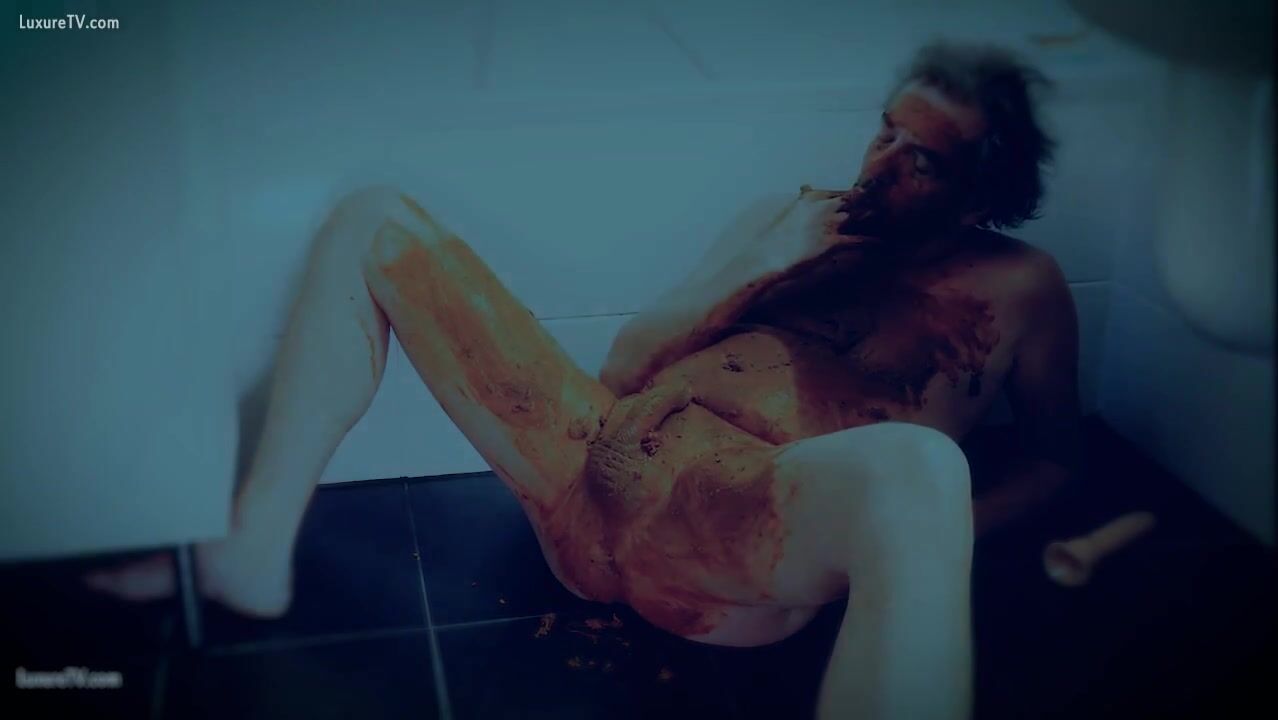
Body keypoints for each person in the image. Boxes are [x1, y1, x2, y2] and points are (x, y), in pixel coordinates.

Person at [86, 41, 1079, 719]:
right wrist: (765, 261)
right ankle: (251, 552)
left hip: (733, 546)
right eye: (885, 132)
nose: (880, 166)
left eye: (922, 160)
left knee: (919, 472)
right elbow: (624, 367)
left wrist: (913, 543)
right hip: (588, 481)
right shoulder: (796, 220)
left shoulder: (1023, 290)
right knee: (374, 216)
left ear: (983, 191)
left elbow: (1053, 464)